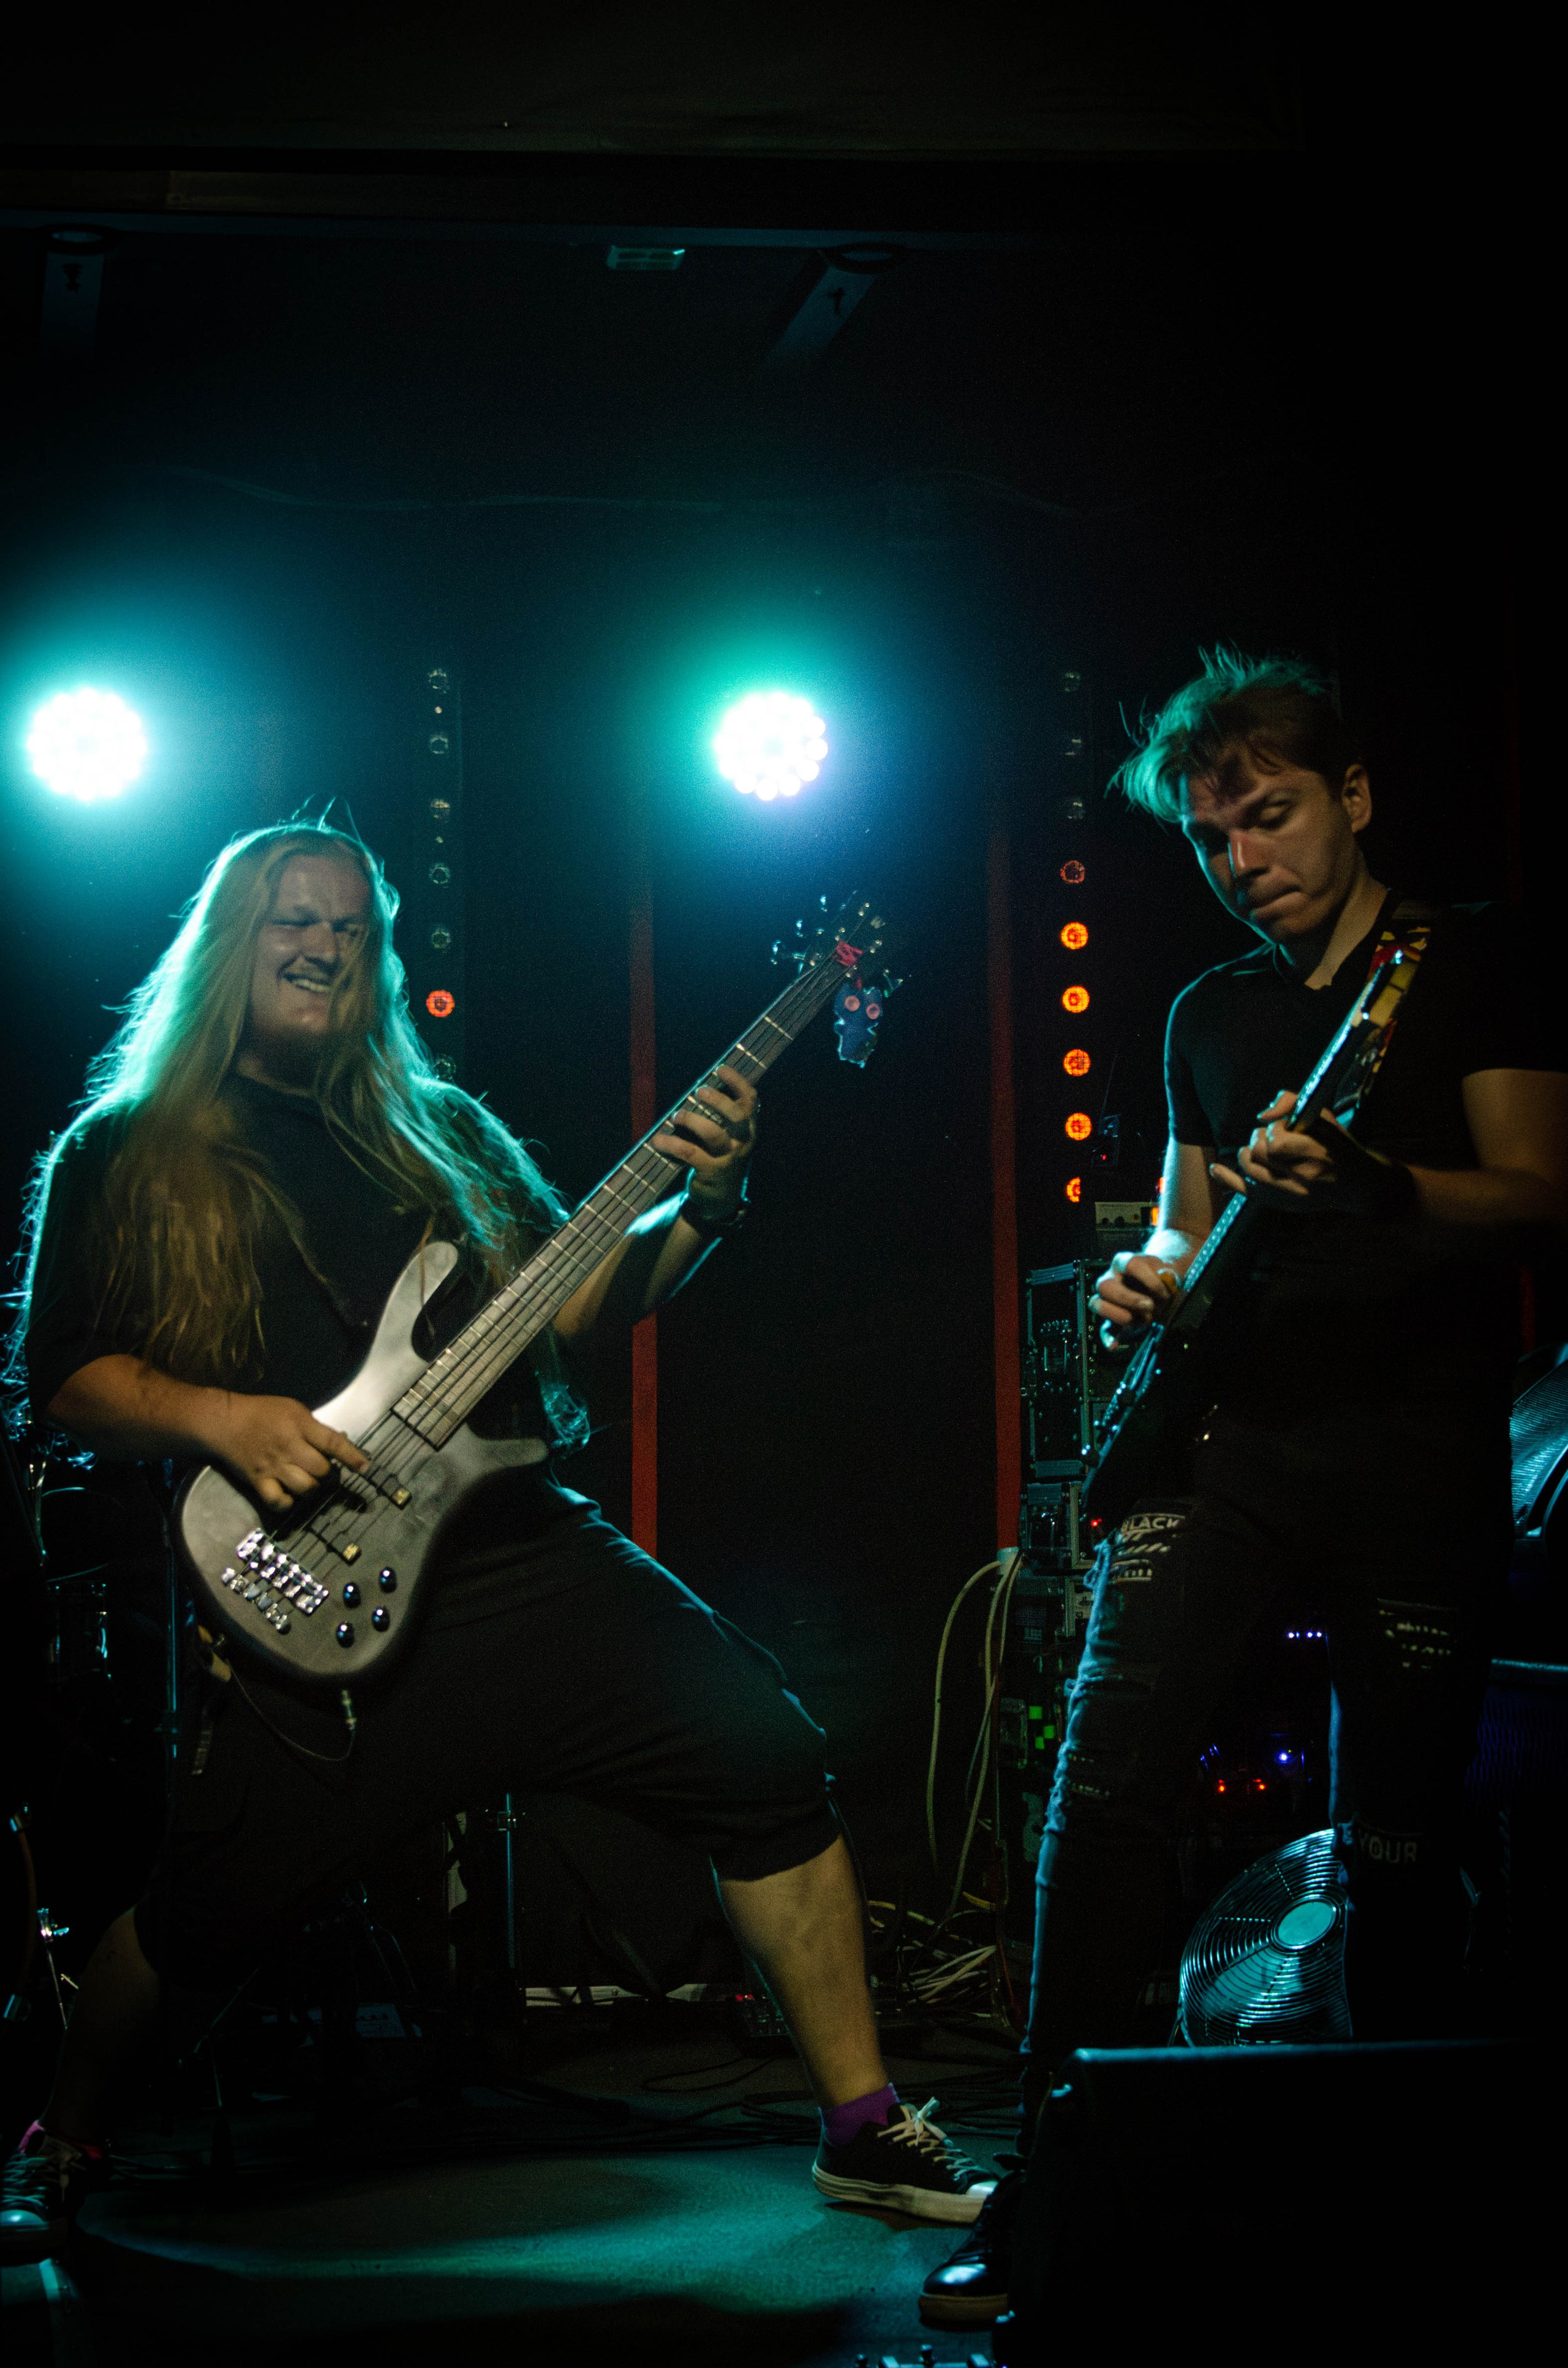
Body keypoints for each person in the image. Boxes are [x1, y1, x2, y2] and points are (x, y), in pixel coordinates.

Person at [2, 822, 993, 2262]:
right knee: (201, 1916)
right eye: (293, 919)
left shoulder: (438, 1132)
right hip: (307, 1595)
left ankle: (860, 2125)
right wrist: (226, 1416)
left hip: (523, 1558)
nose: (325, 946)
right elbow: (64, 1376)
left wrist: (705, 1203)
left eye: (352, 927)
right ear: (230, 941)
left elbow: (579, 1309)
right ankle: (61, 2136)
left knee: (767, 1758)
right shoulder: (127, 1151)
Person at [920, 648, 1568, 2330]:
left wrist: (1371, 1185)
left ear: (1353, 796)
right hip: (1224, 1447)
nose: (1243, 858)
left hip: (1420, 1456)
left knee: (1402, 1838)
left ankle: (1412, 2206)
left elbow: (1537, 1195)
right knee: (1103, 1785)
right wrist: (1150, 1275)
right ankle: (1044, 2177)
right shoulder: (1208, 1014)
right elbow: (1179, 1223)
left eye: (1268, 816)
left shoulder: (1469, 968)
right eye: (1213, 839)